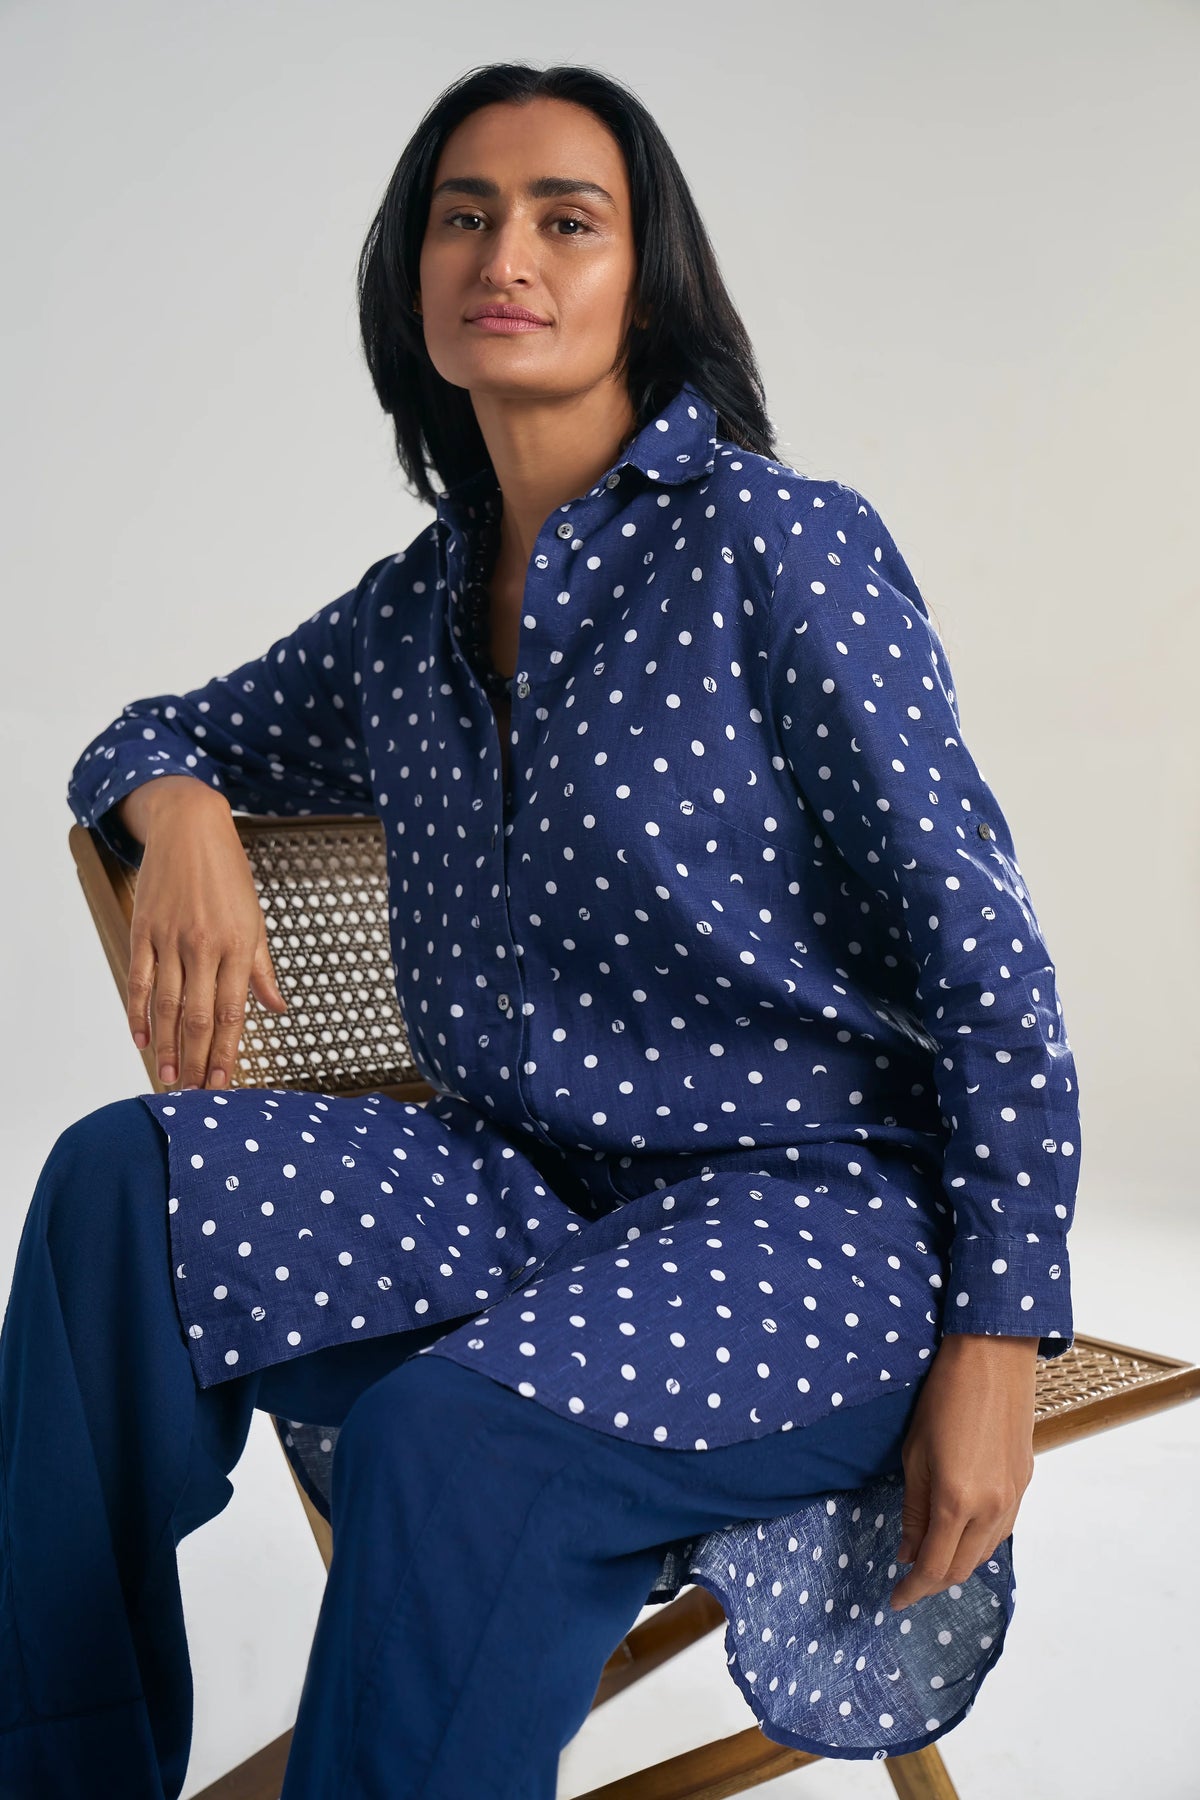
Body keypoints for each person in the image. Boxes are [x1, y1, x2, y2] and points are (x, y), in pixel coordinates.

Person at [0, 59, 1081, 1800]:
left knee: (450, 1446)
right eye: (464, 216)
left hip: (812, 1226)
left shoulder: (779, 549)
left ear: (645, 280)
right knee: (118, 1192)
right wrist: (182, 811)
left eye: (566, 220)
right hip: (515, 1191)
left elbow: (991, 965)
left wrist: (999, 1340)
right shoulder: (412, 610)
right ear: (414, 278)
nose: (505, 252)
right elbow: (152, 733)